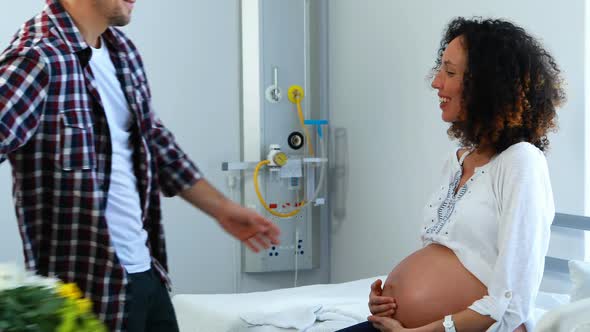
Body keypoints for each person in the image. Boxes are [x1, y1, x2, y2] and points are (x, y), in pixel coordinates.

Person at [0, 0, 280, 331]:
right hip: (86, 293)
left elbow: (156, 142)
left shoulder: (121, 51)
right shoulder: (37, 56)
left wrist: (222, 209)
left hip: (144, 273)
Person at [338, 17, 565, 332]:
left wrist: (428, 329)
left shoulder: (521, 162)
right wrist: (391, 300)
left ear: (486, 85)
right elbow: (446, 258)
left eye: (450, 72)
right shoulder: (457, 161)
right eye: (440, 69)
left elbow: (511, 301)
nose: (436, 82)